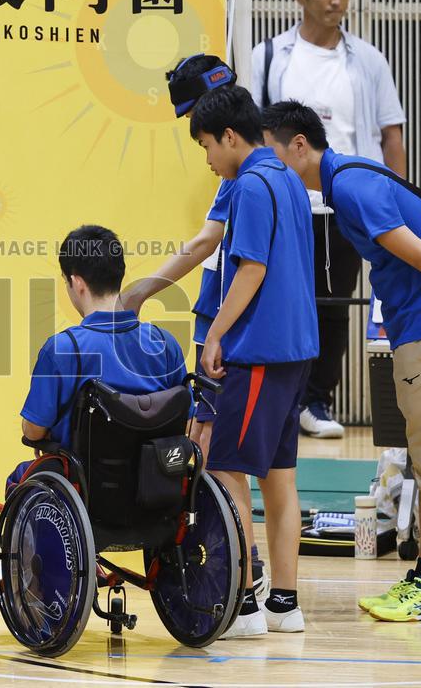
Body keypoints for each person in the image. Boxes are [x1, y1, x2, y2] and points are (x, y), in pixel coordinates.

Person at [261, 100, 421, 622]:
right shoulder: (343, 180)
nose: (270, 169)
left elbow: (417, 250)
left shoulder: (351, 185)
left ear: (300, 147)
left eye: (273, 155)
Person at [120, 52, 269, 599]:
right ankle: (252, 582)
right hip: (230, 319)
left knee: (213, 451)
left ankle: (241, 582)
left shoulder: (245, 171)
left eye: (200, 131)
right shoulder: (255, 163)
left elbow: (209, 242)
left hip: (224, 322)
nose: (199, 144)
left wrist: (143, 289)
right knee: (224, 453)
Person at [250, 0, 408, 438]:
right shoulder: (270, 56)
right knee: (283, 297)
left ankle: (318, 401)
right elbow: (253, 131)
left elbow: (391, 134)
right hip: (285, 199)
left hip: (346, 199)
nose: (337, 0)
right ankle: (284, 399)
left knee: (336, 302)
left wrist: (394, 195)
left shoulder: (368, 61)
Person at [188, 86, 318, 638]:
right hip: (296, 353)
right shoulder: (289, 177)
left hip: (258, 352)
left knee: (224, 469)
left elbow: (250, 270)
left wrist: (215, 334)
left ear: (230, 137)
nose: (208, 160)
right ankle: (284, 604)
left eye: (206, 147)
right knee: (279, 480)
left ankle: (243, 604)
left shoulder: (248, 185)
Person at [8, 225, 188, 490]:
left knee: (19, 478)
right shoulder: (164, 343)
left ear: (77, 283)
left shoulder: (62, 348)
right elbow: (185, 417)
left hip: (87, 488)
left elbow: (33, 431)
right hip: (157, 484)